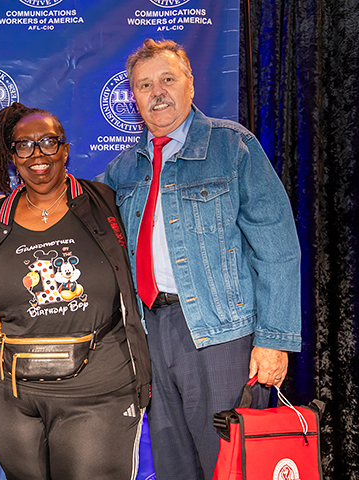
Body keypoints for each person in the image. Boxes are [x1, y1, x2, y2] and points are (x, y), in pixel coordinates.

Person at [102, 39, 302, 480]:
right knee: (173, 464)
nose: (157, 92)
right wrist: (7, 203)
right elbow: (73, 207)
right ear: (133, 98)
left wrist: (274, 340)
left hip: (222, 334)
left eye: (167, 79)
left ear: (190, 85)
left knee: (230, 465)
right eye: (144, 85)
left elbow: (278, 248)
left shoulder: (233, 146)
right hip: (152, 332)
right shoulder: (124, 169)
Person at [0, 102, 152, 480]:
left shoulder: (105, 203)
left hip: (97, 391)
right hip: (12, 395)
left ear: (65, 149)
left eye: (48, 142)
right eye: (24, 146)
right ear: (13, 157)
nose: (37, 154)